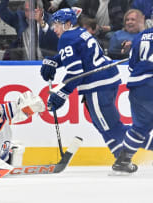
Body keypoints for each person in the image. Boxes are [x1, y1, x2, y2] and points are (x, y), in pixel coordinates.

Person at [40, 8, 129, 159]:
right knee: (101, 124)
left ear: (68, 23)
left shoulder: (66, 38)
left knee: (113, 128)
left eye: (57, 24)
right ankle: (121, 157)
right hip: (106, 80)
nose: (54, 28)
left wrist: (61, 93)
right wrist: (54, 61)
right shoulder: (80, 32)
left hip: (97, 84)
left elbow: (76, 73)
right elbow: (80, 54)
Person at [111, 27, 153, 173]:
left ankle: (123, 160)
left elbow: (132, 66)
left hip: (137, 86)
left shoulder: (141, 36)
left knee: (140, 127)